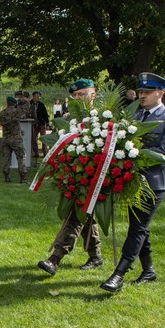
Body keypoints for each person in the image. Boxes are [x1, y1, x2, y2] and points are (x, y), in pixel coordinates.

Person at [101, 73, 165, 293]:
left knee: (138, 227)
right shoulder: (135, 116)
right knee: (140, 226)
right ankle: (148, 271)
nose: (142, 96)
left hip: (155, 182)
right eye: (141, 92)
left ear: (160, 93)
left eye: (147, 92)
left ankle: (118, 274)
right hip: (133, 180)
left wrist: (133, 154)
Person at [37, 79, 103, 274]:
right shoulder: (67, 118)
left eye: (81, 94)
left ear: (93, 95)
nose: (77, 98)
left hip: (94, 178)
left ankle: (55, 258)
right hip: (72, 176)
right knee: (86, 216)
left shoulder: (103, 119)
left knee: (76, 216)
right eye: (74, 95)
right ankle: (96, 255)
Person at [0, 95, 28, 183]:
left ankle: (7, 177)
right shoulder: (17, 111)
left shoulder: (2, 113)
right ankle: (23, 178)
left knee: (6, 158)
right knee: (21, 157)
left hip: (6, 138)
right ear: (14, 103)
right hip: (16, 138)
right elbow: (27, 106)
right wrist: (21, 99)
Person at [31, 91, 50, 157]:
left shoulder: (41, 105)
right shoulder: (30, 104)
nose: (38, 98)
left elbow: (45, 114)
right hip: (33, 124)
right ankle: (36, 152)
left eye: (38, 97)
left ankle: (44, 152)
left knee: (43, 138)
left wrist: (47, 123)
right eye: (36, 97)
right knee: (33, 138)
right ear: (33, 97)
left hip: (41, 123)